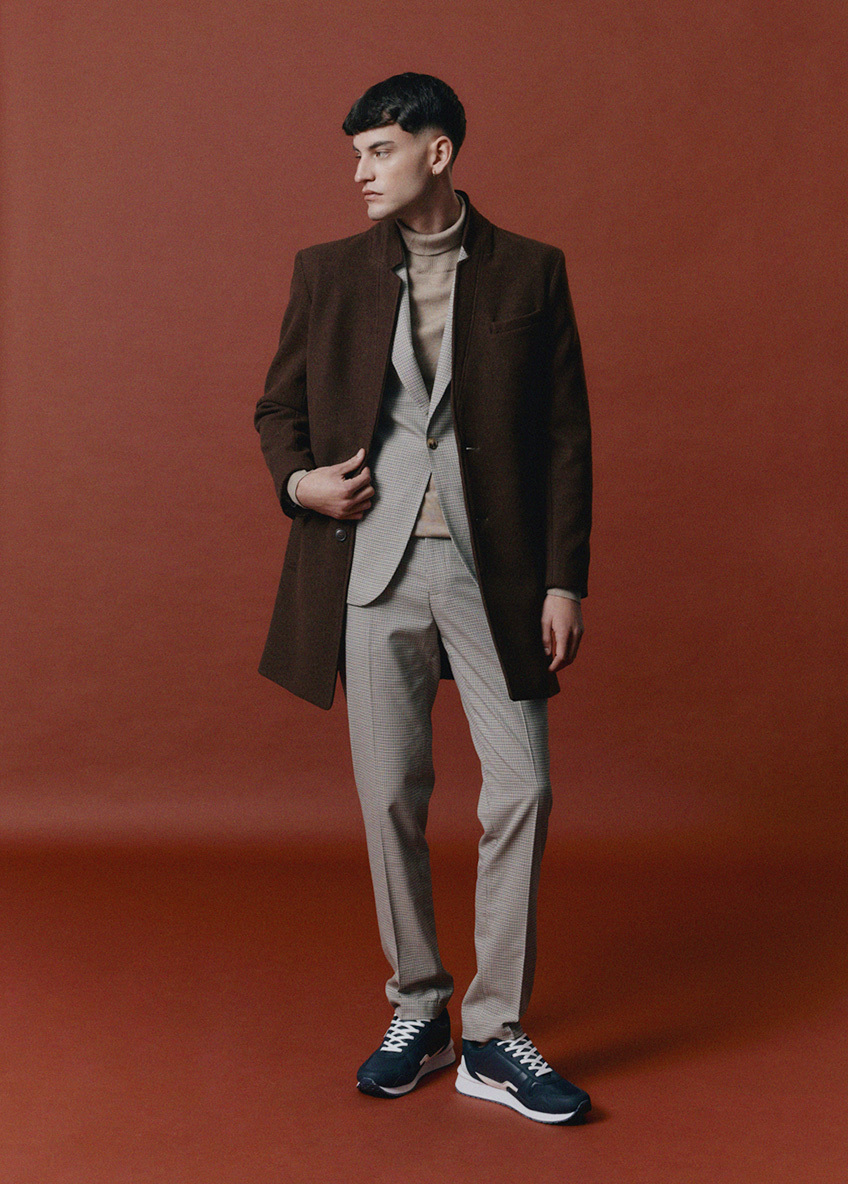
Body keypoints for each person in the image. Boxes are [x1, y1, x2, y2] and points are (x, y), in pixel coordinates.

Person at [255, 73, 592, 1125]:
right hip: (371, 564)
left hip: (495, 572)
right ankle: (419, 1007)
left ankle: (492, 1032)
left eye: (379, 152)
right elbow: (276, 409)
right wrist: (300, 485)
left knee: (522, 788)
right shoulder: (328, 272)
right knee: (390, 795)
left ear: (436, 153)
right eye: (355, 155)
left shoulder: (531, 270)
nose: (360, 173)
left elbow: (565, 436)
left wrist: (562, 576)